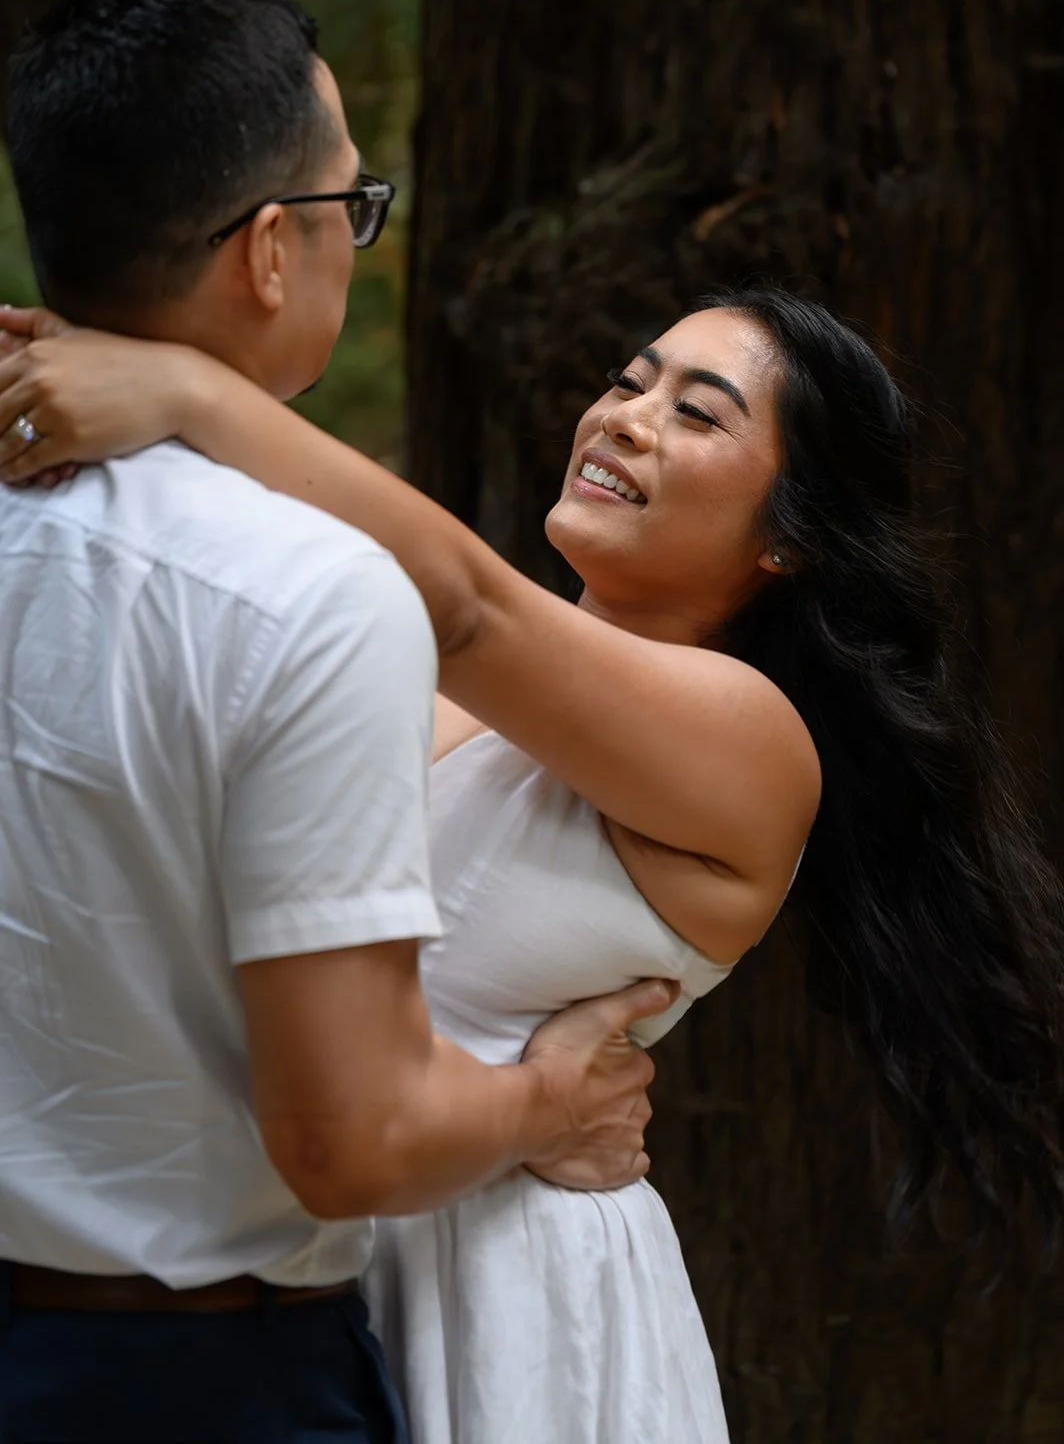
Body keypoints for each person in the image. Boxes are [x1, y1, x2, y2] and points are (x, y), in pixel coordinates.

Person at [4, 277, 1064, 1444]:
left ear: (788, 538)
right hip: (307, 1241)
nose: (623, 414)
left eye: (697, 413)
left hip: (504, 1291)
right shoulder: (427, 686)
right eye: (628, 379)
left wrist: (182, 390)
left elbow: (469, 608)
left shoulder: (752, 742)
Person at [0, 0, 681, 1444]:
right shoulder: (308, 597)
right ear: (267, 252)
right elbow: (349, 1136)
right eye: (352, 208)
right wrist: (547, 1104)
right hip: (188, 1383)